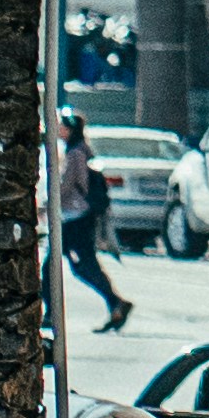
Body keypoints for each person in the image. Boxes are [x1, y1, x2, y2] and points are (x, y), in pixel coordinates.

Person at [55, 113, 131, 335]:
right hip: (75, 216)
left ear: (69, 130)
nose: (59, 130)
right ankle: (115, 304)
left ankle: (115, 302)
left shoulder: (76, 154)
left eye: (62, 127)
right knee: (78, 265)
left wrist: (46, 204)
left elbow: (67, 186)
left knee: (79, 265)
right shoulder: (81, 151)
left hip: (76, 217)